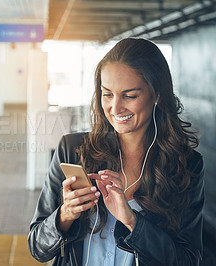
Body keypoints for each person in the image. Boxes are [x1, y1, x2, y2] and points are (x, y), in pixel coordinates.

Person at [28, 38, 204, 266]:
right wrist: (65, 215)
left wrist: (132, 222)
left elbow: (188, 260)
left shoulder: (186, 165)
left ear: (157, 94)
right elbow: (37, 248)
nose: (116, 107)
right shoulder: (72, 151)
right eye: (107, 94)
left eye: (130, 95)